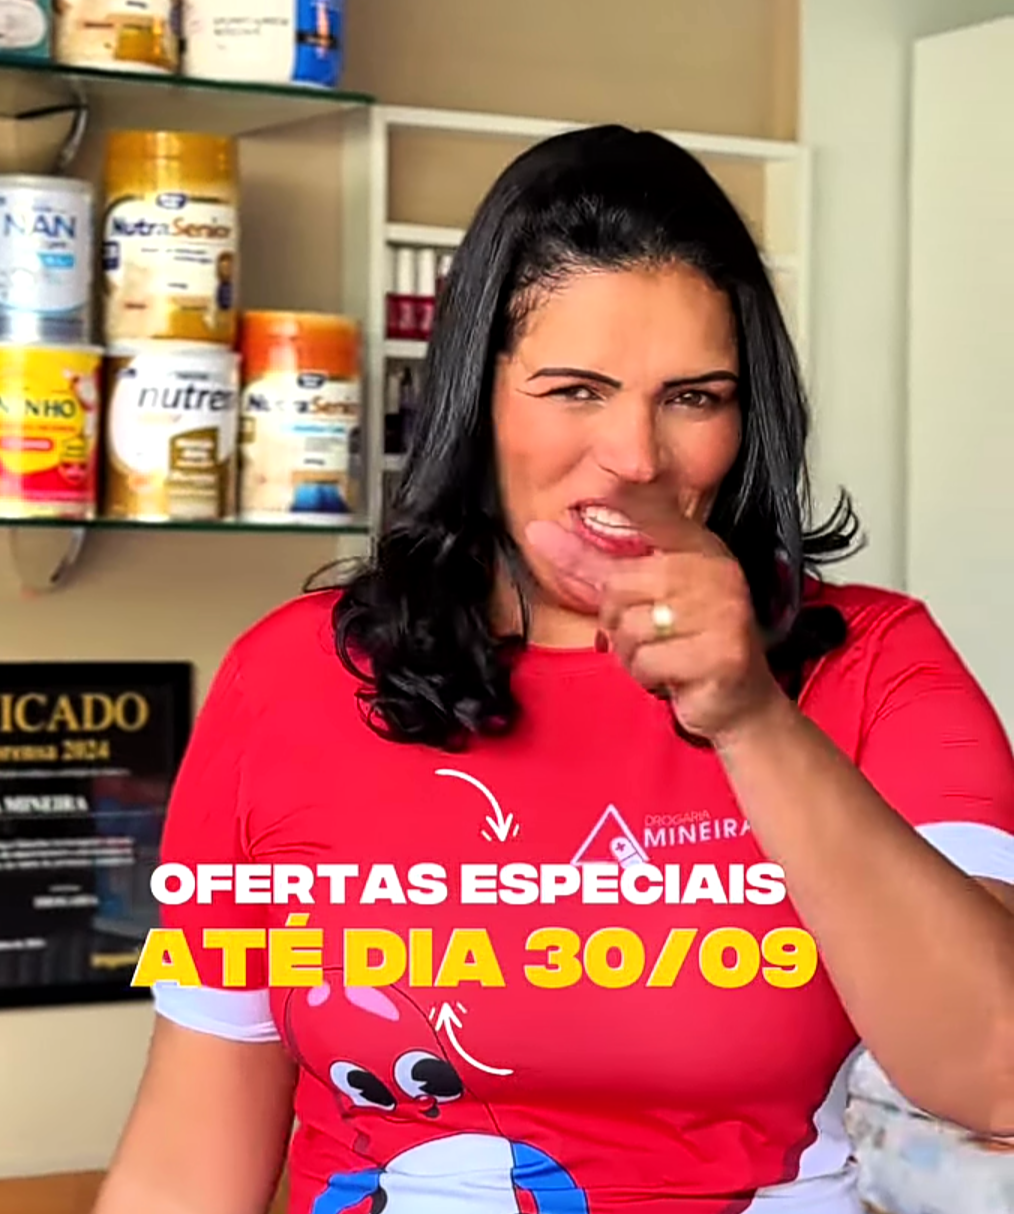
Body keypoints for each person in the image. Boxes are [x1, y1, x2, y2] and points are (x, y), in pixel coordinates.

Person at [93, 125, 1014, 1214]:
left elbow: (993, 1074)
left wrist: (752, 719)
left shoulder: (876, 665)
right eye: (575, 388)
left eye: (695, 396)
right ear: (476, 399)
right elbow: (189, 1155)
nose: (635, 455)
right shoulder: (288, 678)